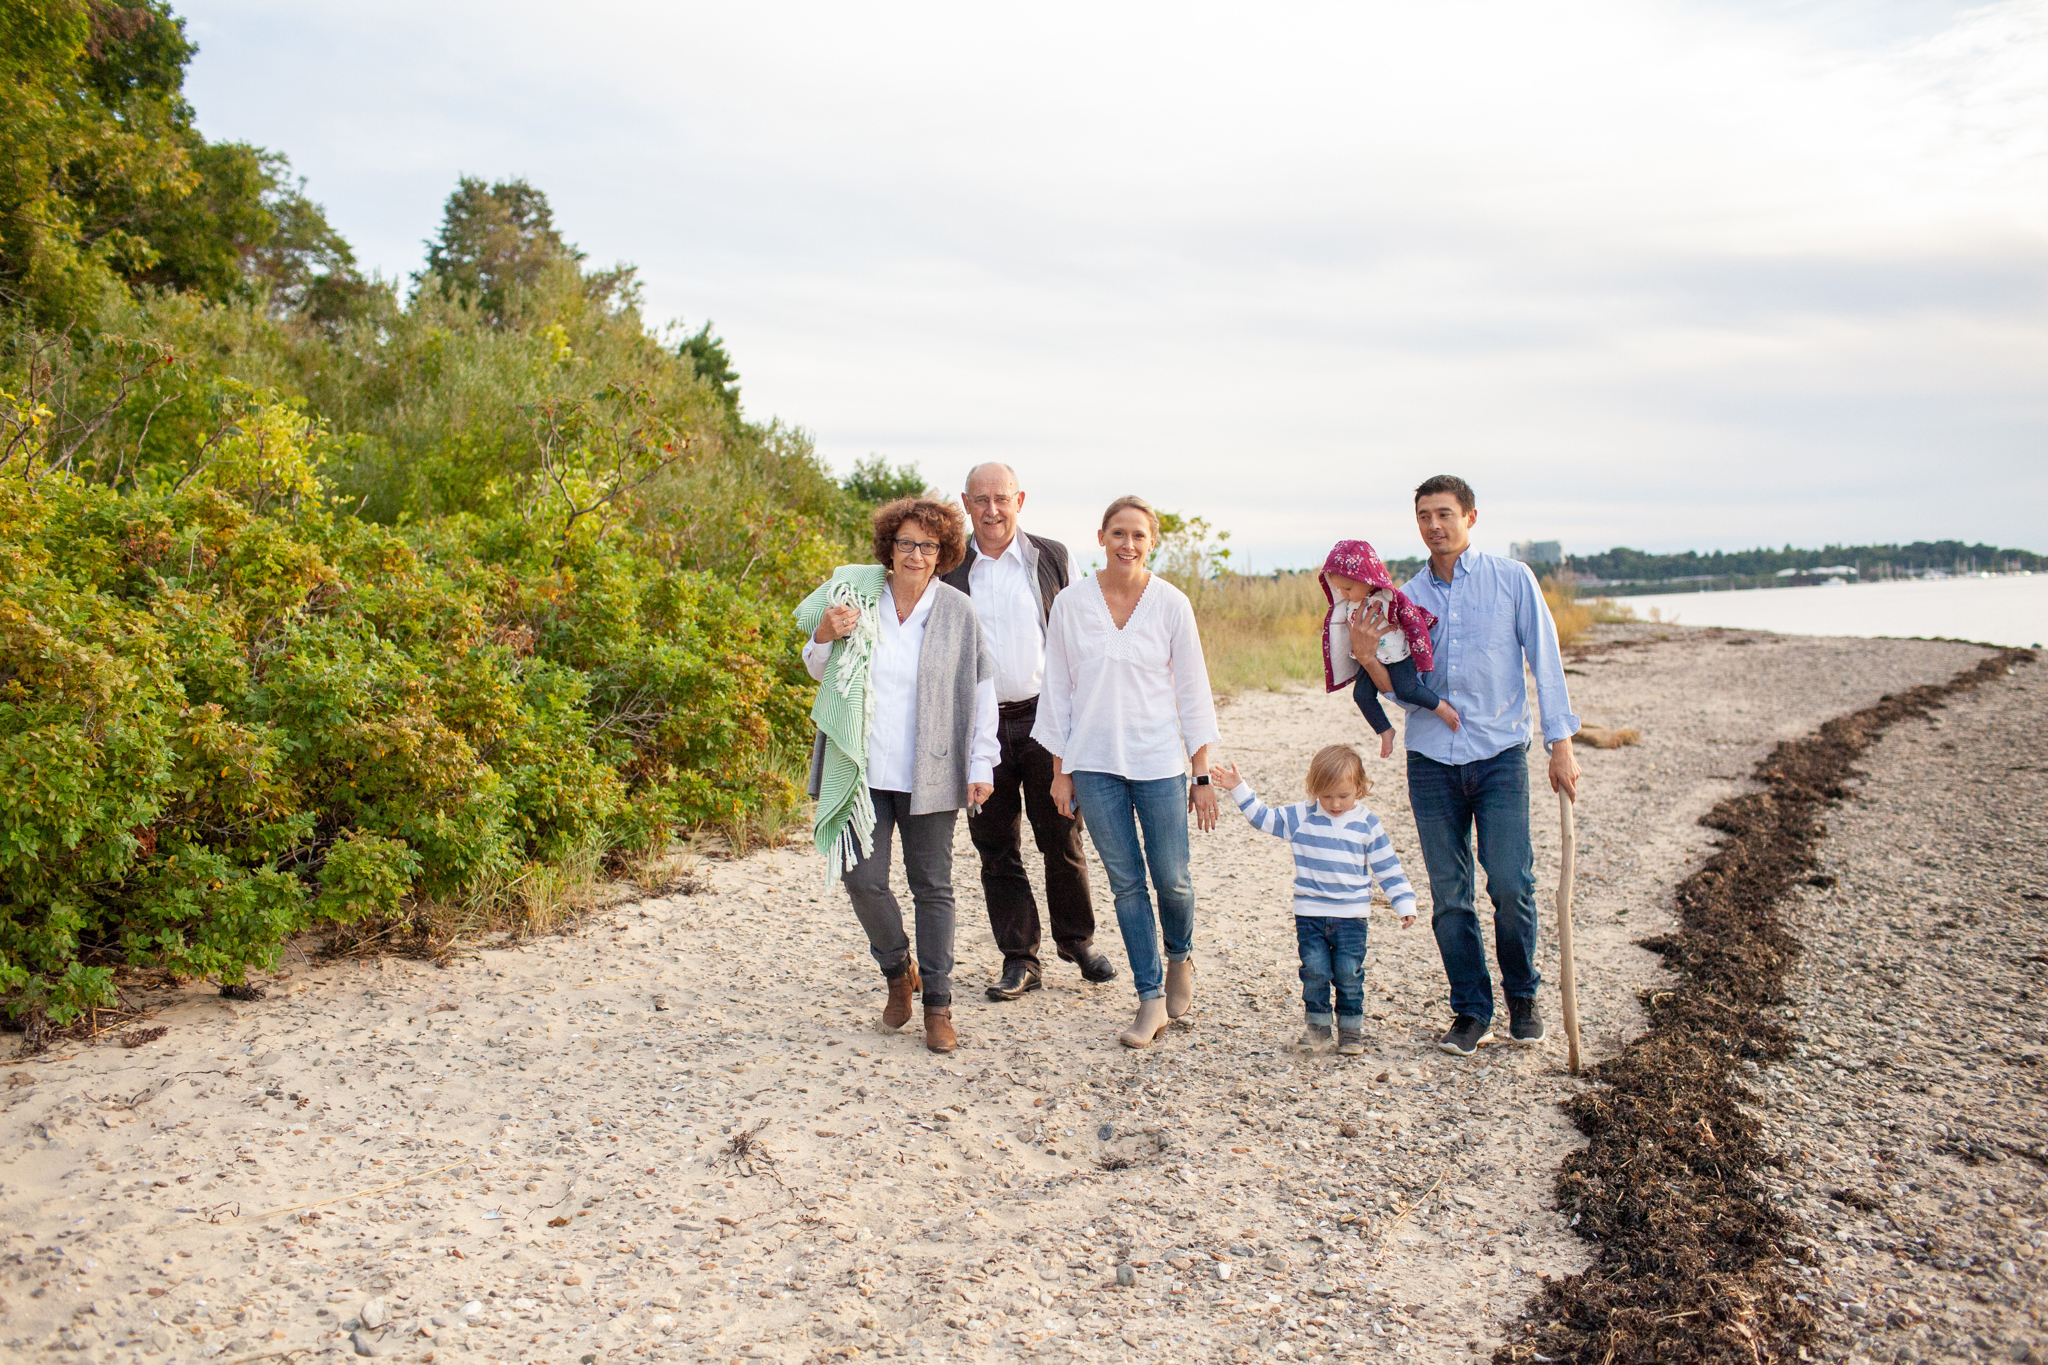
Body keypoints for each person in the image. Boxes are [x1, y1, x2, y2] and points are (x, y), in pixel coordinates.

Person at [1351, 475, 1581, 1057]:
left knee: (1511, 882)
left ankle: (1522, 1000)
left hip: (1502, 754)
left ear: (1471, 518)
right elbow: (1403, 691)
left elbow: (1545, 660)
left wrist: (1561, 743)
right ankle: (1471, 1010)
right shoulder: (1403, 600)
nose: (1435, 525)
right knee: (1450, 894)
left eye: (1445, 514)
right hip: (1430, 760)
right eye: (1425, 515)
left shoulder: (1513, 580)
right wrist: (1365, 659)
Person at [794, 497, 998, 1054]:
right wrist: (824, 634)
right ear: (890, 546)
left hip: (929, 770)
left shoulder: (957, 611)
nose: (916, 554)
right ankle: (896, 969)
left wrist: (982, 764)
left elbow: (982, 692)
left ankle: (938, 1005)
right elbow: (817, 668)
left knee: (933, 886)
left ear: (943, 553)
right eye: (906, 543)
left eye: (928, 546)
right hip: (864, 766)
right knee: (863, 879)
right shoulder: (857, 599)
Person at [1033, 495, 1222, 1049]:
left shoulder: (1170, 604)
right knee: (1126, 885)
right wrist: (1060, 771)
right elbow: (1059, 692)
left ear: (1151, 542)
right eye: (1119, 533)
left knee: (1173, 878)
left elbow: (1193, 689)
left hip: (1159, 762)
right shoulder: (1070, 603)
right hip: (1093, 763)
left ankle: (1180, 958)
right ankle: (1149, 998)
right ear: (1101, 536)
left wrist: (1201, 772)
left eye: (1138, 535)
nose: (1128, 544)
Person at [938, 462, 1116, 1000]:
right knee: (995, 844)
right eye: (980, 500)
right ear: (965, 504)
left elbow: (1085, 636)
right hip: (978, 725)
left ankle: (1076, 941)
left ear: (1019, 500)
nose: (992, 510)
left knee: (1061, 832)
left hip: (1046, 717)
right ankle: (1020, 958)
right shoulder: (948, 568)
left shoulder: (1054, 557)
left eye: (1001, 499)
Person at [1211, 745, 1417, 1058]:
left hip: (1352, 917)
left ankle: (1350, 1032)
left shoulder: (1368, 824)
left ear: (1360, 789)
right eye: (1326, 795)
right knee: (1315, 971)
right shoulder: (1301, 817)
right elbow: (1263, 818)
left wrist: (1404, 903)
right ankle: (1318, 1030)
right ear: (1314, 789)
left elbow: (1387, 867)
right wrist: (1239, 788)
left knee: (1349, 972)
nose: (1335, 803)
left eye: (1344, 796)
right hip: (1310, 914)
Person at [1318, 539, 1461, 753]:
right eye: (1339, 589)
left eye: (1348, 588)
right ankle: (1385, 730)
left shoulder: (1391, 598)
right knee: (1361, 695)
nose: (1344, 594)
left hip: (1399, 655)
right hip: (1370, 656)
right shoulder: (1349, 603)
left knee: (1407, 690)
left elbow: (1416, 625)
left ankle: (1440, 707)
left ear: (1367, 578)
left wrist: (1423, 659)